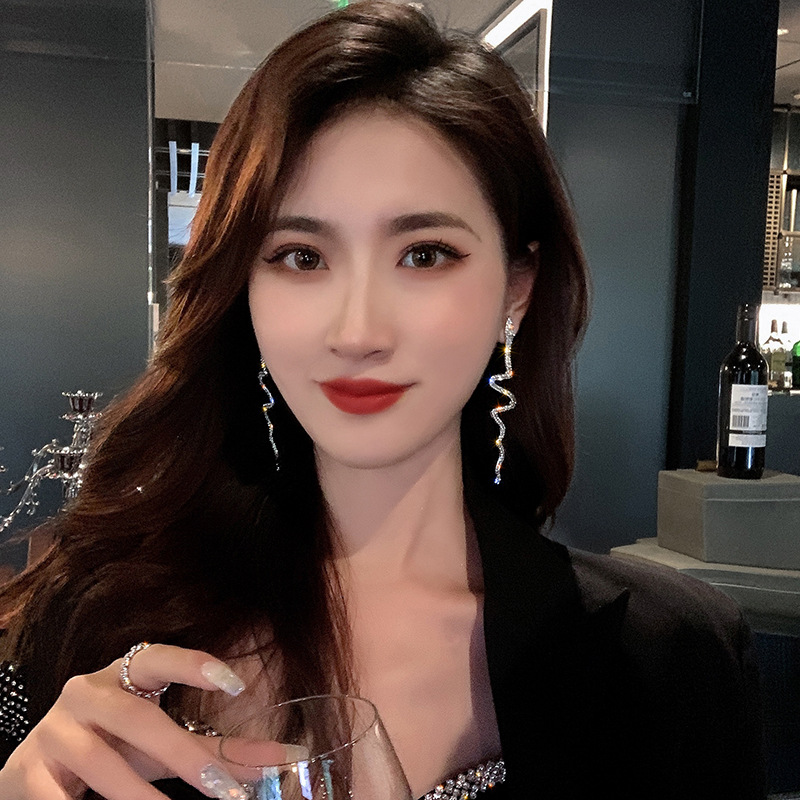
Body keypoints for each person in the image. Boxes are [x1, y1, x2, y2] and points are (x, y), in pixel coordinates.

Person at [0, 2, 765, 798]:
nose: (358, 331)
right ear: (243, 290)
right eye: (301, 256)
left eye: (425, 254)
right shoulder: (98, 620)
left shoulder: (673, 659)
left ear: (517, 286)